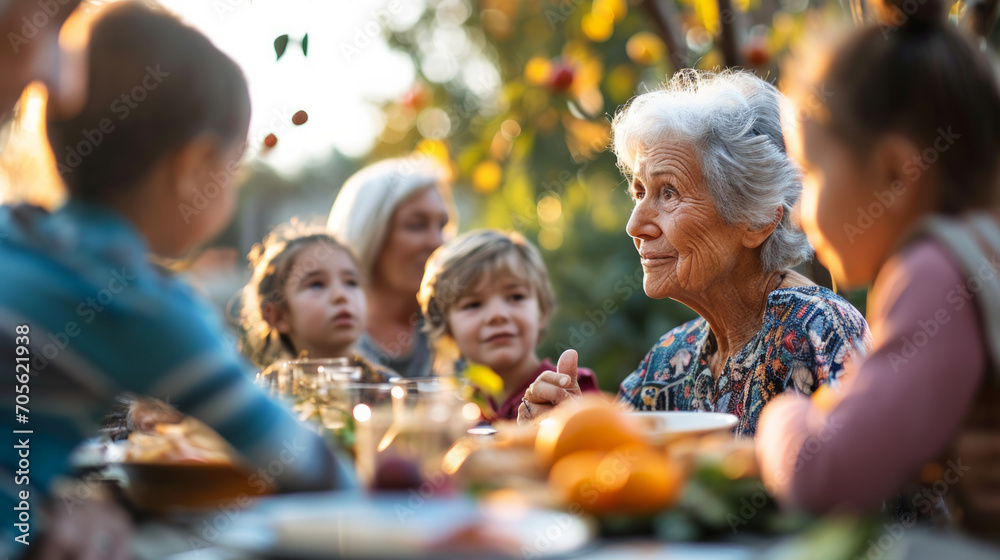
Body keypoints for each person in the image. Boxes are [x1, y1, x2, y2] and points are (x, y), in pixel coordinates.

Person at [0, 4, 347, 558]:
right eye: (232, 166)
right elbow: (306, 466)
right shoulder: (143, 304)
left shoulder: (11, 232)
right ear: (194, 168)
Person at [756, 0, 1000, 538]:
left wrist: (780, 420)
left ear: (895, 174)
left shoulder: (934, 273)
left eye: (811, 174)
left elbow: (825, 474)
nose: (798, 209)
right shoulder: (982, 251)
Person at [520, 70, 870, 437]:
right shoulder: (670, 361)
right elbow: (627, 476)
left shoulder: (818, 329)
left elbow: (866, 486)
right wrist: (572, 427)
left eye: (668, 192)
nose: (635, 225)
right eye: (639, 192)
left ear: (757, 220)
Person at [418, 229, 600, 420]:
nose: (497, 315)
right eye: (473, 304)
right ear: (447, 327)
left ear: (542, 310)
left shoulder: (571, 392)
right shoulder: (458, 409)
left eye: (516, 296)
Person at [328, 157, 455, 377]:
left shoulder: (459, 327)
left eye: (442, 226)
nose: (437, 242)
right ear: (368, 234)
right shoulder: (321, 335)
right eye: (416, 225)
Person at [239, 221, 393, 381]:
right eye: (316, 284)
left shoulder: (389, 389)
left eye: (351, 282)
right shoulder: (267, 395)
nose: (340, 295)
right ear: (277, 315)